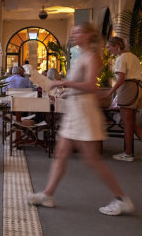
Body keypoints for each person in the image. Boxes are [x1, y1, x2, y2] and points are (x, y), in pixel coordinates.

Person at [27, 23, 134, 216]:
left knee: (93, 160)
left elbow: (90, 86)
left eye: (77, 32)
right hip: (76, 111)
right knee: (61, 154)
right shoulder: (82, 57)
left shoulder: (91, 57)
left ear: (87, 35)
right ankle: (48, 195)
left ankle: (121, 198)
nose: (73, 34)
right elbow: (80, 87)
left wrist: (62, 82)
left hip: (84, 114)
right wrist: (66, 93)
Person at [104, 36, 142, 162]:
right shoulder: (134, 57)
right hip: (137, 88)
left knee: (126, 123)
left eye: (110, 47)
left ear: (117, 46)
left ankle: (128, 154)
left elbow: (120, 79)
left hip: (128, 89)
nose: (109, 50)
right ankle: (128, 152)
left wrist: (109, 93)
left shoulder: (121, 58)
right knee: (131, 123)